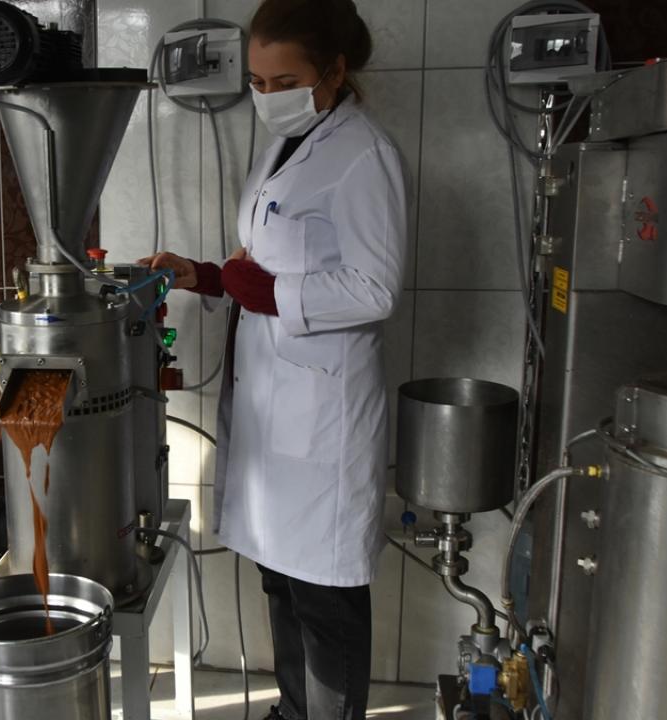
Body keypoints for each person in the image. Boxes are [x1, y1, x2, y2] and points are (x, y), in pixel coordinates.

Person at [143, 1, 406, 718]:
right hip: (273, 404)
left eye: (283, 82)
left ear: (334, 71)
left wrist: (261, 290)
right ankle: (294, 711)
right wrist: (207, 275)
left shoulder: (364, 155)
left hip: (323, 419)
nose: (267, 97)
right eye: (257, 82)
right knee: (282, 583)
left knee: (325, 604)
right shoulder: (286, 144)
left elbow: (375, 288)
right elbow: (267, 260)